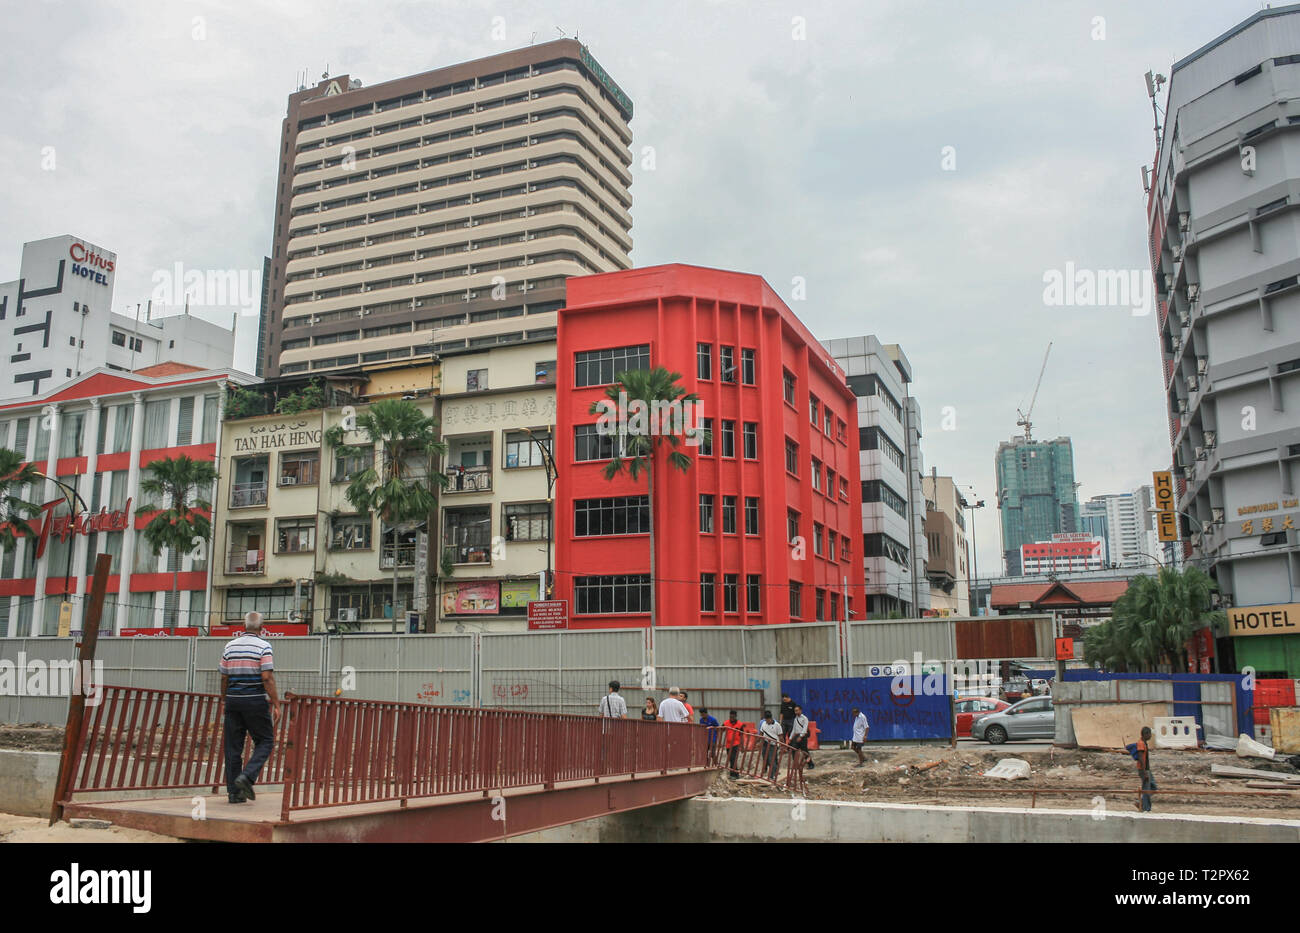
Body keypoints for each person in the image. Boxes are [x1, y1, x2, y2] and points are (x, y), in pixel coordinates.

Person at [219, 611, 280, 804]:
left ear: (243, 626)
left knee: (232, 747)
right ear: (262, 628)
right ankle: (247, 776)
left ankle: (234, 794)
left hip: (233, 701)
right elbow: (267, 678)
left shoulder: (229, 646)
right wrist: (276, 704)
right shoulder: (264, 646)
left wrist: (224, 699)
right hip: (254, 701)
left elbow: (224, 677)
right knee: (266, 740)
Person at [759, 710, 784, 782]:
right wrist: (758, 742)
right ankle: (775, 771)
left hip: (774, 744)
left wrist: (782, 746)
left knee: (772, 760)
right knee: (766, 758)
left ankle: (771, 776)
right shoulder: (763, 723)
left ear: (771, 718)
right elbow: (761, 733)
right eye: (766, 720)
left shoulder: (777, 725)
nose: (767, 721)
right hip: (765, 743)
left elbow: (780, 736)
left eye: (768, 720)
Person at [1136, 725, 1156, 812]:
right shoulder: (1140, 744)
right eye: (1150, 734)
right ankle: (1146, 808)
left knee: (1153, 787)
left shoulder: (1144, 743)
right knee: (1147, 789)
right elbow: (1140, 758)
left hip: (1147, 769)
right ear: (1146, 734)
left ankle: (1141, 801)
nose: (1151, 736)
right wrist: (1144, 772)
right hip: (1144, 769)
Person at [789, 704, 813, 769]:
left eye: (797, 710)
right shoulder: (795, 719)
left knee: (804, 751)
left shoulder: (805, 718)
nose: (796, 712)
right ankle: (796, 764)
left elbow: (804, 728)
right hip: (796, 736)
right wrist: (790, 738)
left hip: (802, 737)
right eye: (795, 711)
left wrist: (801, 736)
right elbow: (794, 729)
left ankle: (810, 764)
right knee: (794, 750)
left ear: (800, 710)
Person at [722, 710, 743, 778]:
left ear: (735, 716)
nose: (732, 718)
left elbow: (742, 735)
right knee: (731, 759)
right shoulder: (726, 723)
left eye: (733, 717)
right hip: (728, 745)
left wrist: (742, 746)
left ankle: (733, 774)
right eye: (730, 717)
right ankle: (735, 774)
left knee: (734, 759)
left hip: (736, 744)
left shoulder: (740, 724)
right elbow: (721, 730)